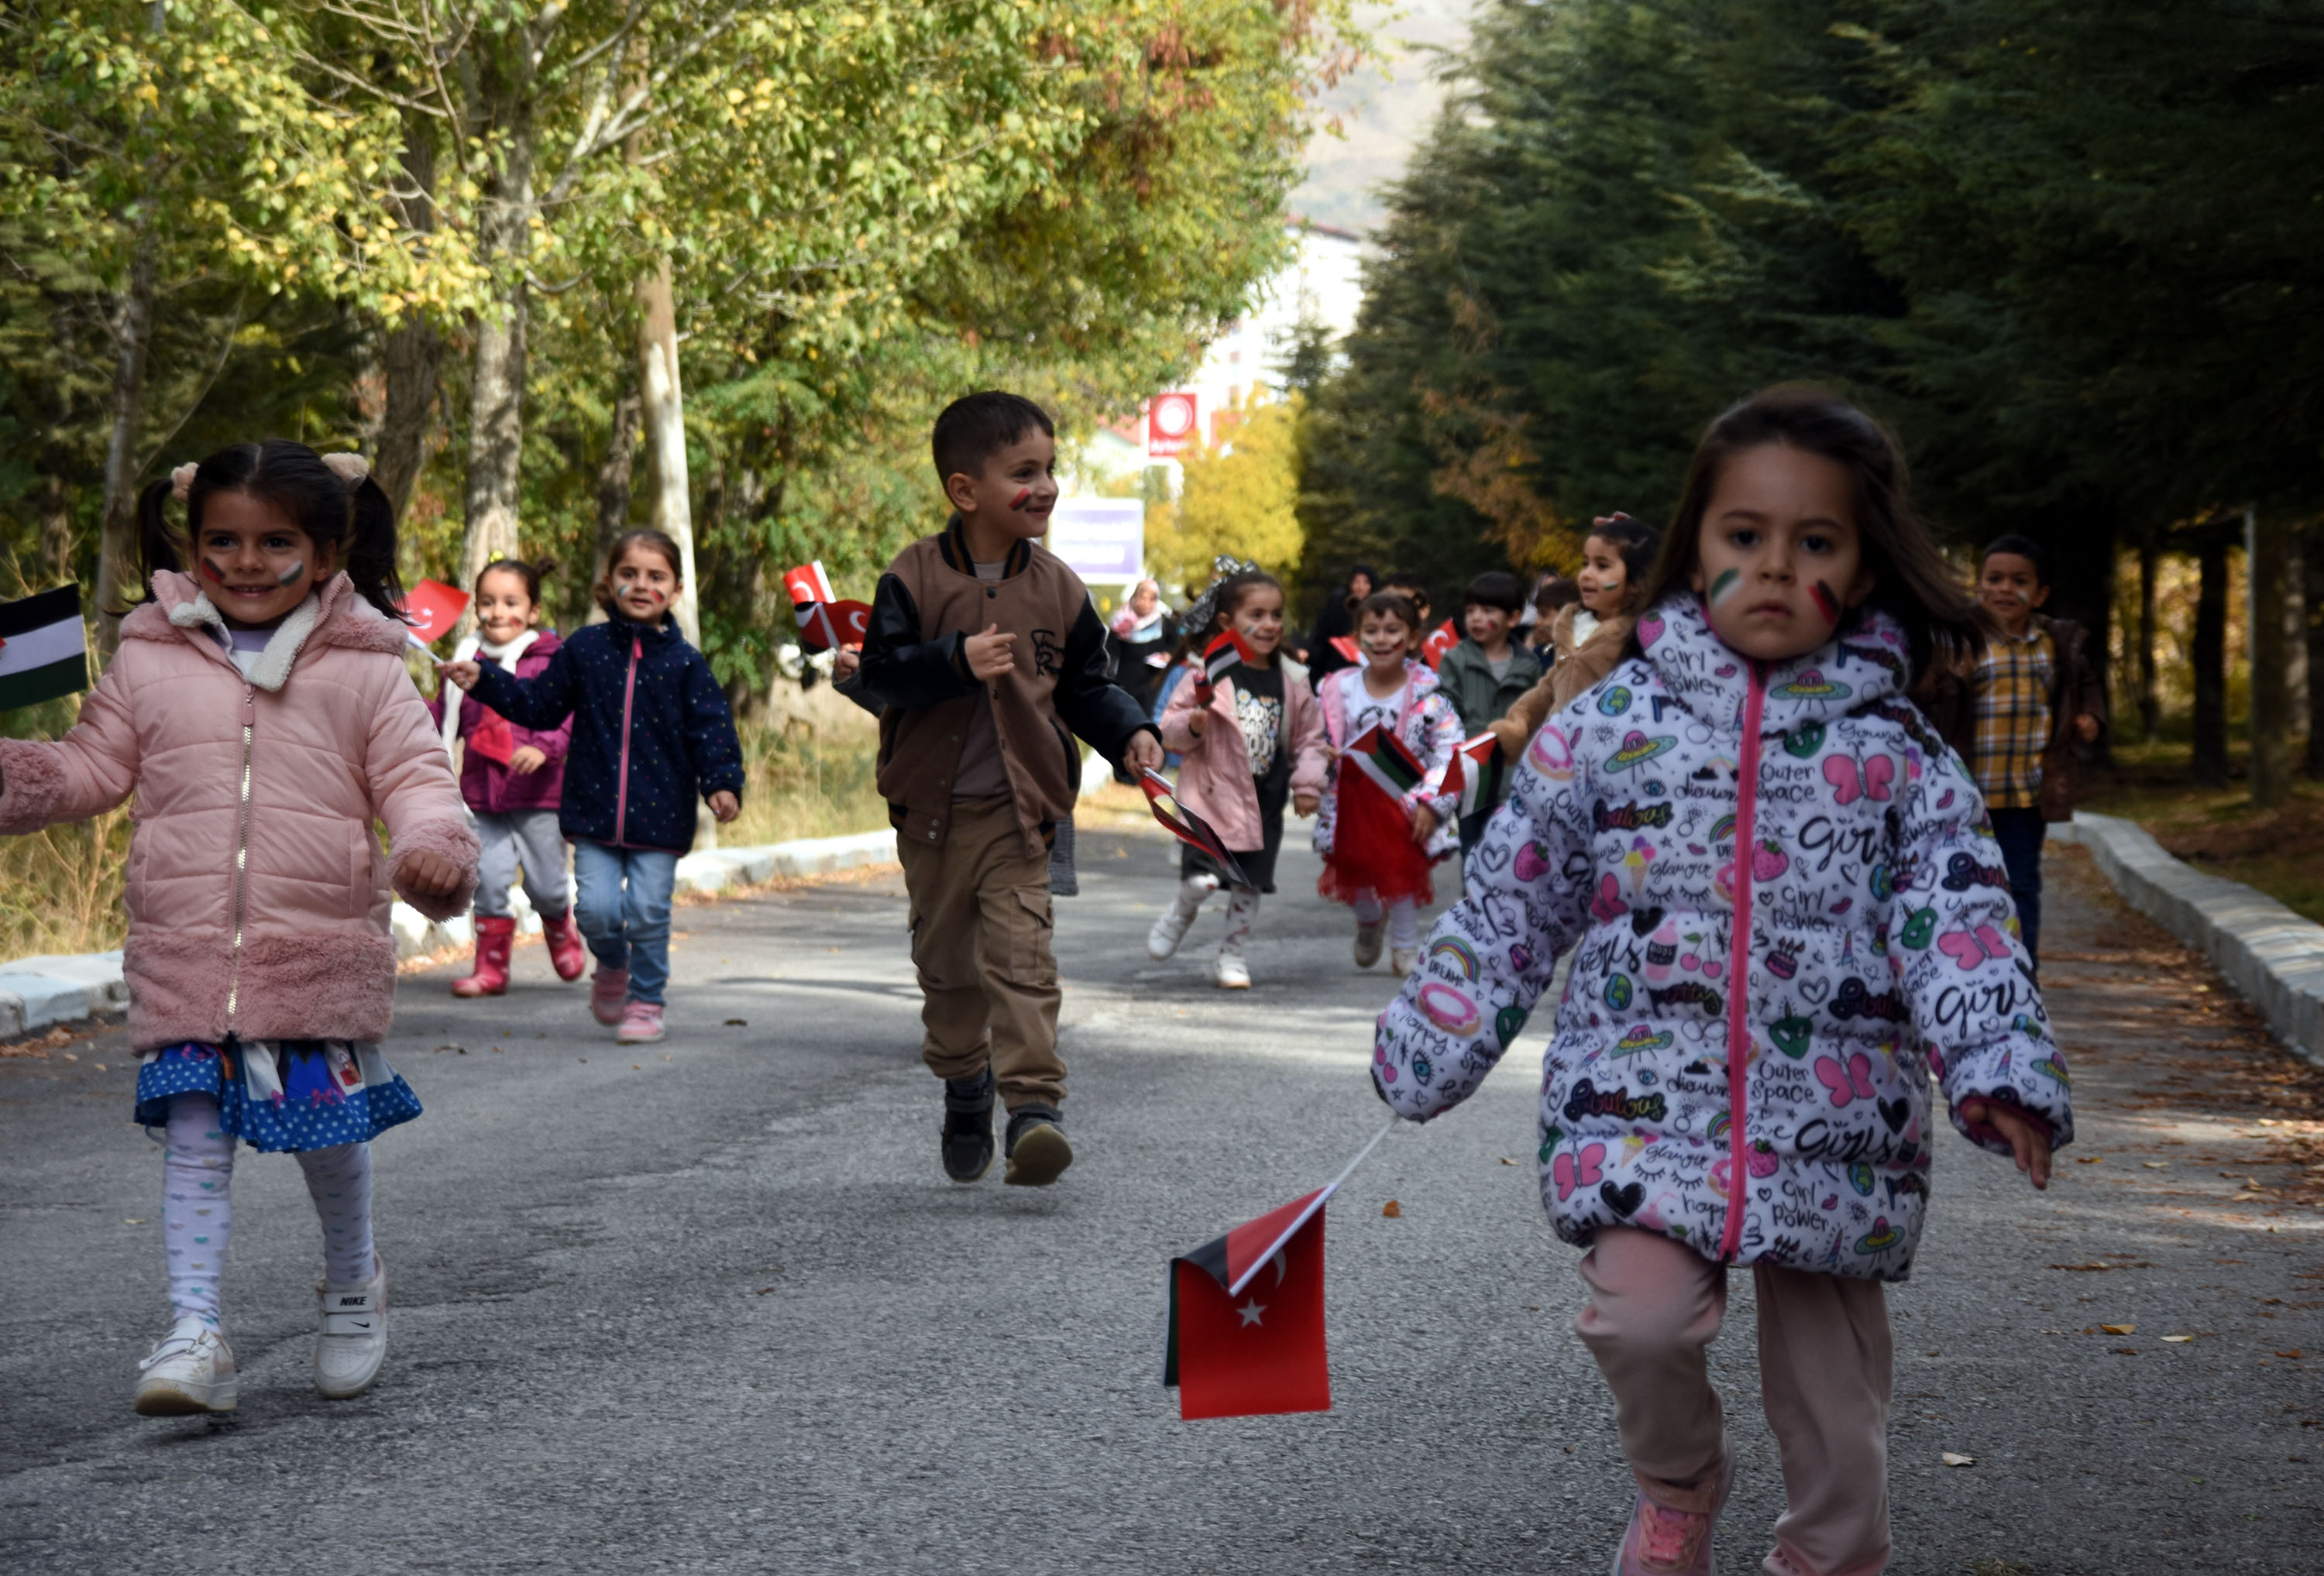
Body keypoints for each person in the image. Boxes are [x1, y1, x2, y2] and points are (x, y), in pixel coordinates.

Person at [1374, 386, 2068, 1576]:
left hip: (1839, 1116)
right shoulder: (1608, 725)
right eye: (1745, 536)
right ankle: (1679, 1480)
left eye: (1817, 541)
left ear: (1862, 562)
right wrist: (1435, 1037)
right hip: (1645, 1103)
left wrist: (1999, 1067)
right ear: (1697, 541)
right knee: (1636, 1319)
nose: (1775, 567)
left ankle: (1830, 1557)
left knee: (1835, 1402)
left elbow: (1962, 921)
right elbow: (1512, 896)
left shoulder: (1899, 751)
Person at [0, 441, 478, 1416]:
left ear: (330, 551)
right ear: (191, 537)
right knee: (193, 1133)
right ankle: (194, 1330)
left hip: (312, 953)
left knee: (327, 1140)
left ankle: (354, 1284)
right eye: (223, 539)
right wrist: (22, 774)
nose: (247, 562)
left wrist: (434, 850)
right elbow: (92, 765)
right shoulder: (149, 654)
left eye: (276, 542)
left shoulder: (368, 667)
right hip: (185, 953)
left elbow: (421, 784)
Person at [856, 391, 1162, 1187]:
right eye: (1025, 472)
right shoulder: (913, 576)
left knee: (1023, 959)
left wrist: (1129, 730)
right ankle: (966, 1083)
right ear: (967, 491)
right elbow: (882, 673)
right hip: (931, 817)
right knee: (948, 969)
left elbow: (1089, 685)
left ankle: (1034, 1110)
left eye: (1051, 468)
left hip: (1022, 815)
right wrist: (953, 659)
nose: (1047, 485)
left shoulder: (1059, 588)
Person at [444, 529, 744, 1046]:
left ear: (675, 591)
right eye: (629, 574)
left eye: (656, 577)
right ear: (611, 583)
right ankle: (612, 962)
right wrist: (486, 680)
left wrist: (721, 783)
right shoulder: (585, 648)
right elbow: (538, 704)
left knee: (648, 912)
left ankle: (647, 1000)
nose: (641, 585)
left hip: (661, 815)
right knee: (597, 912)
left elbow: (712, 728)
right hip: (594, 811)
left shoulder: (686, 663)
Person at [1149, 568, 1329, 987]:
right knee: (1202, 879)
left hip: (1263, 800)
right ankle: (1181, 911)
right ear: (1229, 623)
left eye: (1277, 615)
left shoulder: (1293, 680)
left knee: (1248, 886)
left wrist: (1306, 786)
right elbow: (1168, 725)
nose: (1270, 625)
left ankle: (1232, 955)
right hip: (1209, 795)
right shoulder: (1208, 671)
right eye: (1258, 615)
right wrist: (1192, 726)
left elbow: (1311, 739)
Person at [1934, 534, 2104, 967]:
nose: (2005, 589)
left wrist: (2090, 716)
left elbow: (2084, 683)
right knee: (1960, 884)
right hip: (1965, 795)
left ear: (2041, 594)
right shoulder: (1962, 643)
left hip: (2026, 796)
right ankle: (1961, 966)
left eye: (2019, 581)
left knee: (2021, 884)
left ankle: (2021, 971)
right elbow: (1932, 697)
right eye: (1994, 579)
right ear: (1979, 586)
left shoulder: (2054, 644)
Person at [429, 557, 587, 997]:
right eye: (487, 602)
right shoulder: (465, 660)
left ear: (534, 610)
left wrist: (546, 747)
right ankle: (491, 968)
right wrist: (404, 705)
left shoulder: (555, 658)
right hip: (484, 796)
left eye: (510, 602)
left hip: (540, 797)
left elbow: (571, 714)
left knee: (548, 886)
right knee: (491, 881)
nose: (498, 612)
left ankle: (559, 926)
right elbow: (444, 717)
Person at [1315, 590, 1462, 976]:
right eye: (1372, 630)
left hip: (1403, 802)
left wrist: (1432, 802)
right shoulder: (1337, 690)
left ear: (1413, 638)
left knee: (1401, 876)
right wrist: (1319, 763)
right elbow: (1314, 739)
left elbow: (1450, 752)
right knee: (1355, 877)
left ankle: (1405, 947)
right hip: (1349, 805)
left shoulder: (1430, 698)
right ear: (1358, 637)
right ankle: (1368, 919)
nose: (1381, 639)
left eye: (1392, 630)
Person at [1490, 515, 1661, 762]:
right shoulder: (1571, 624)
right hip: (1555, 759)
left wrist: (1651, 543)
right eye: (1585, 563)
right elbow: (1550, 686)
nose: (1586, 575)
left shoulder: (1642, 631)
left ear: (1636, 581)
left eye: (1602, 566)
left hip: (1612, 760)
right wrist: (1520, 724)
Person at [1432, 569, 1545, 855]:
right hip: (1471, 775)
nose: (1476, 618)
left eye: (1487, 610)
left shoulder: (1529, 664)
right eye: (1470, 611)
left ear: (1513, 618)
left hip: (1514, 776)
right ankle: (1471, 898)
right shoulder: (1456, 660)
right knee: (1472, 851)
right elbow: (1443, 713)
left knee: (1514, 852)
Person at [1108, 578, 1178, 713]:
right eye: (1142, 598)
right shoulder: (1121, 621)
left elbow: (1175, 643)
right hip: (1126, 682)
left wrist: (1167, 654)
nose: (1145, 603)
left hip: (1153, 683)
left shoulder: (1163, 622)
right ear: (1134, 597)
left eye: (1150, 599)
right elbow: (1110, 650)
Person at [1307, 563, 1376, 678]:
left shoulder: (1377, 608)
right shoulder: (1339, 602)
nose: (1360, 587)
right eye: (1356, 582)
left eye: (1366, 582)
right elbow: (1324, 633)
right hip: (1336, 663)